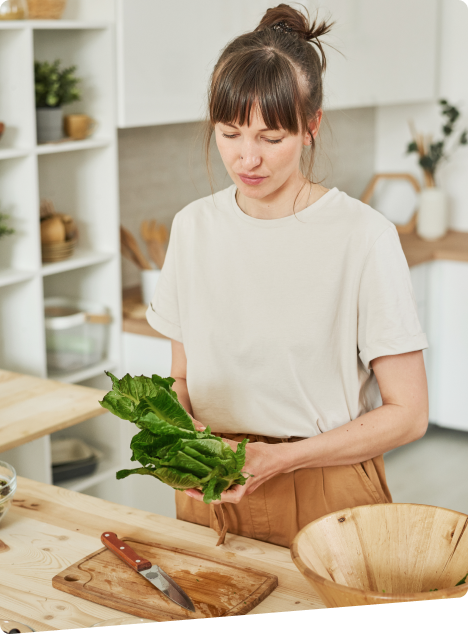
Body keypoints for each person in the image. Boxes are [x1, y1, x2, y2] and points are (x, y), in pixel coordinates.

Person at [146, 3, 429, 548]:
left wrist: (282, 459)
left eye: (271, 138)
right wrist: (187, 437)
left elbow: (409, 415)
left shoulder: (363, 236)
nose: (246, 158)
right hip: (211, 486)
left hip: (323, 485)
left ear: (311, 126)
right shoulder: (191, 228)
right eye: (230, 133)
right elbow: (181, 380)